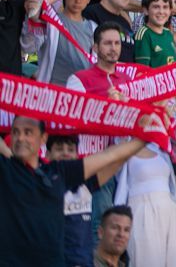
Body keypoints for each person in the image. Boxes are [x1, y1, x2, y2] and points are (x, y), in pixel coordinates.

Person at [0, 112, 153, 266]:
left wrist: (149, 134)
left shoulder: (59, 173)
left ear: (43, 138)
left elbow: (111, 156)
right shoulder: (6, 170)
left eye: (28, 132)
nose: (20, 138)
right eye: (15, 132)